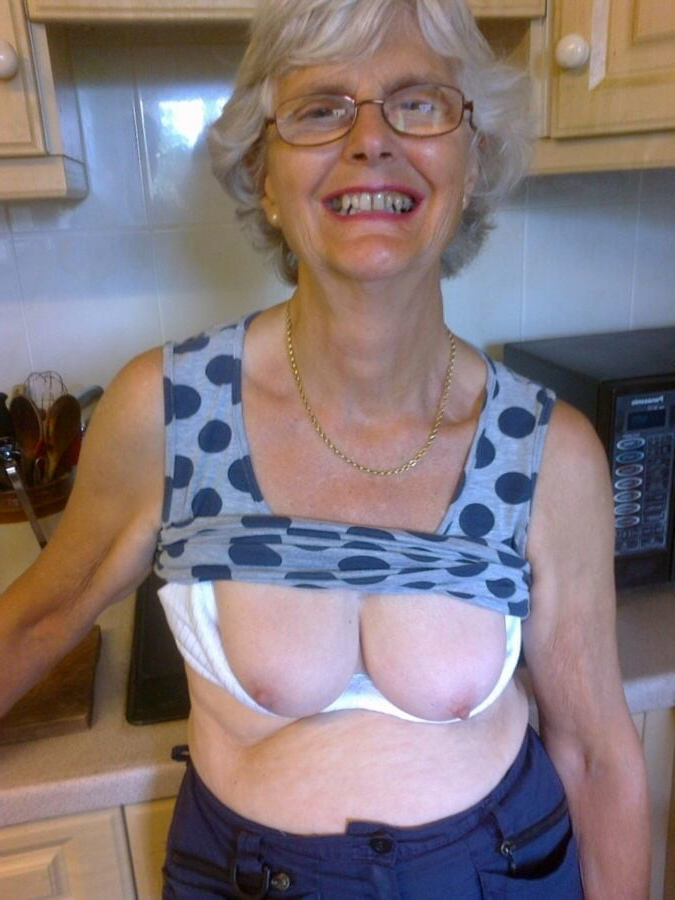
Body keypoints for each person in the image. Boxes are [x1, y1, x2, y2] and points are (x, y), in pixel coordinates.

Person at [1, 0, 650, 896]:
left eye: (417, 103)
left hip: (502, 873)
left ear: (472, 162)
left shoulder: (547, 450)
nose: (370, 140)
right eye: (319, 109)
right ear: (264, 176)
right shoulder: (168, 408)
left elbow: (594, 751)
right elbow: (35, 624)